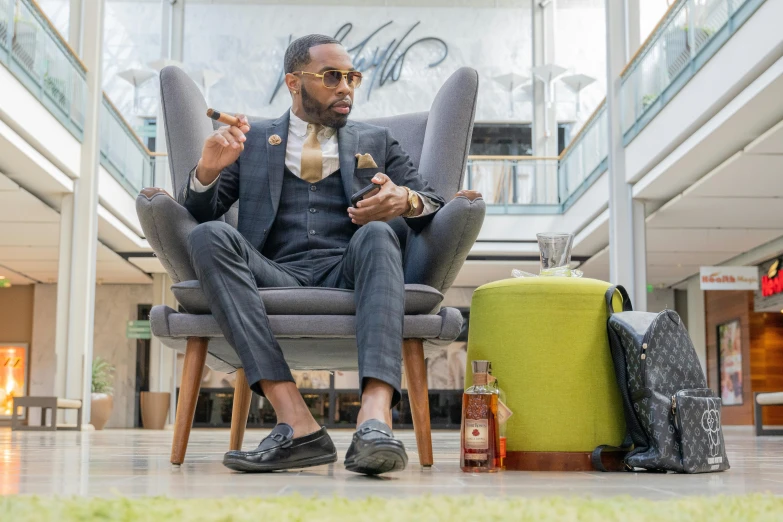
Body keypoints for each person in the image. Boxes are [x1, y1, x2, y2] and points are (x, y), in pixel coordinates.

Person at [181, 34, 445, 475]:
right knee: (209, 236)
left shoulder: (376, 140)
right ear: (293, 81)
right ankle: (297, 421)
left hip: (350, 268)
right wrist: (207, 169)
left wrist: (405, 200)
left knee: (380, 235)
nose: (346, 87)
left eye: (352, 77)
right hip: (274, 272)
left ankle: (374, 421)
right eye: (331, 77)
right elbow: (201, 209)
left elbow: (432, 200)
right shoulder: (254, 138)